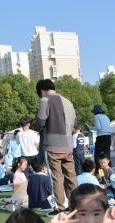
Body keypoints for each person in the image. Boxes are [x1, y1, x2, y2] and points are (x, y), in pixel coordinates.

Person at [36, 79, 77, 214]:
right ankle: (76, 205)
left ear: (41, 90)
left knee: (56, 177)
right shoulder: (68, 102)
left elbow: (41, 122)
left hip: (53, 145)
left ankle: (60, 207)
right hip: (68, 145)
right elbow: (75, 124)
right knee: (71, 176)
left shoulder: (45, 100)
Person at [92, 104, 111, 171]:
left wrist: (93, 127)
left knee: (97, 155)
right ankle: (109, 169)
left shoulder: (97, 117)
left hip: (101, 136)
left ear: (95, 112)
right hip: (108, 136)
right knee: (107, 154)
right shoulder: (106, 117)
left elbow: (98, 127)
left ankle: (98, 170)